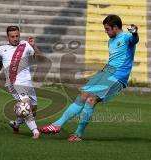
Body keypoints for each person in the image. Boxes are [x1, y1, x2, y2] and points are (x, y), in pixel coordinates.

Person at [39, 14, 139, 142]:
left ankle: (77, 134)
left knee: (91, 99)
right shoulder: (111, 41)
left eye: (107, 29)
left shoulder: (126, 37)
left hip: (118, 76)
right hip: (106, 72)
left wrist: (135, 32)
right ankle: (57, 125)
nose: (106, 31)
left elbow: (135, 39)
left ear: (115, 27)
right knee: (83, 95)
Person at [0, 26, 42, 139]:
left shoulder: (26, 45)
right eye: (12, 36)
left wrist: (34, 46)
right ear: (8, 37)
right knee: (26, 103)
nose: (15, 38)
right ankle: (35, 131)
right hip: (14, 83)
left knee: (32, 108)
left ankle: (16, 124)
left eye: (17, 36)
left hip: (27, 82)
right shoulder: (1, 49)